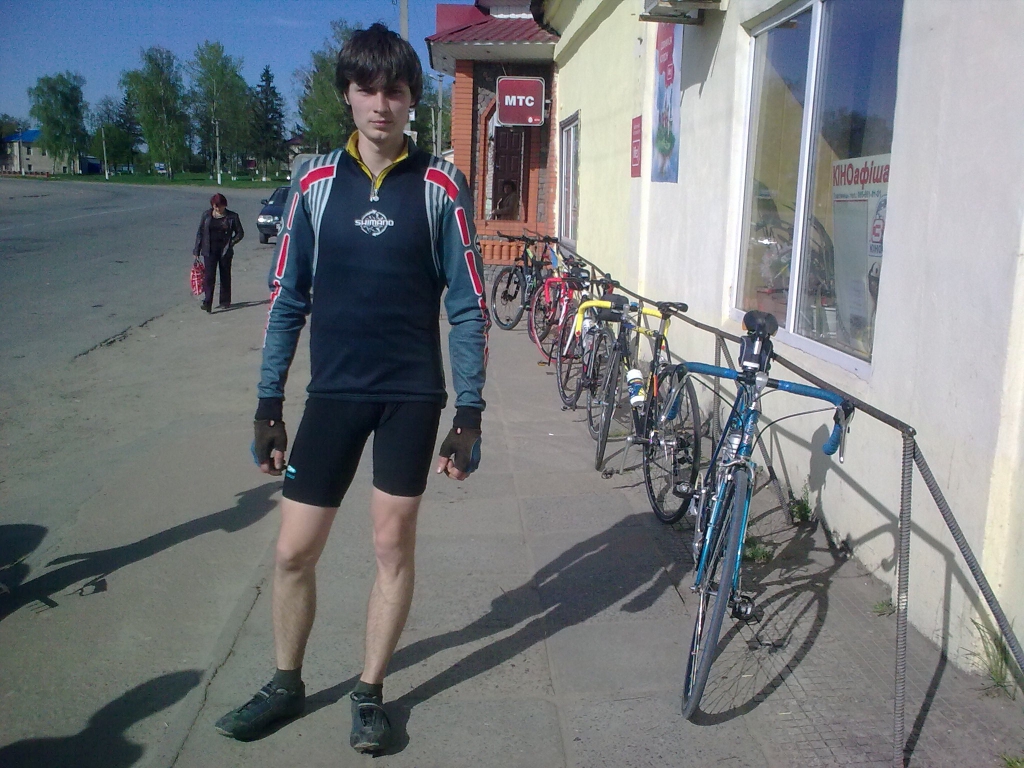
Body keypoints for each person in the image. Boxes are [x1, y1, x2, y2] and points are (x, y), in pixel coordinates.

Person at [213, 23, 489, 754]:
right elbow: (287, 299)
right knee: (292, 552)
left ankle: (369, 692)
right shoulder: (313, 184)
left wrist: (470, 412)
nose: (381, 104)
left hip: (411, 397)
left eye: (395, 90)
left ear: (411, 99)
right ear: (347, 95)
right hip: (333, 395)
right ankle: (285, 683)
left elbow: (467, 306)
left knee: (392, 545)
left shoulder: (439, 185)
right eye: (367, 90)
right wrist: (268, 403)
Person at [192, 192, 244, 312]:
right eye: (215, 206)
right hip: (209, 250)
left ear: (224, 205)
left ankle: (225, 301)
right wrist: (196, 250)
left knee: (225, 275)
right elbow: (200, 233)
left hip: (225, 250)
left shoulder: (232, 217)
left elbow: (240, 233)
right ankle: (207, 302)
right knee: (209, 277)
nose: (217, 209)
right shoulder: (206, 215)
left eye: (219, 206)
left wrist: (231, 243)